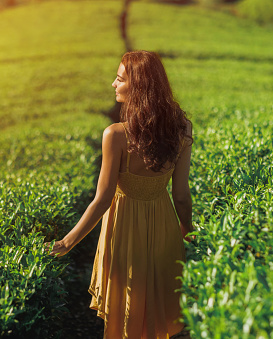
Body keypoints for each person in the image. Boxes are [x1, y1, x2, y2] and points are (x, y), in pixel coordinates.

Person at [47, 50, 193, 339]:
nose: (114, 84)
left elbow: (101, 200)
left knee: (128, 308)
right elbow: (181, 195)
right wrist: (187, 231)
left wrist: (68, 241)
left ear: (137, 86)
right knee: (160, 310)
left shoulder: (115, 135)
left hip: (124, 229)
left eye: (119, 79)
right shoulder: (182, 129)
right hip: (164, 227)